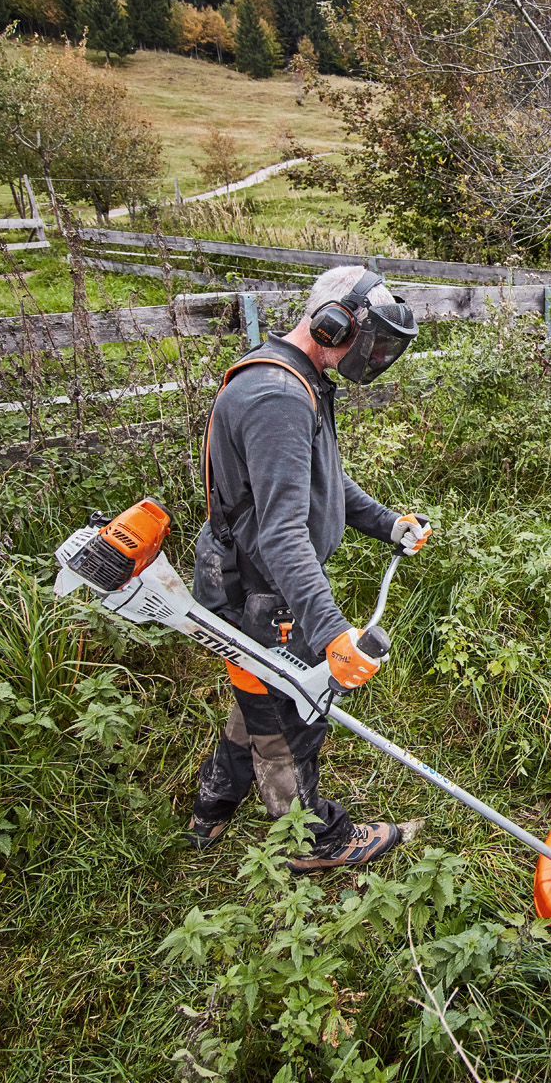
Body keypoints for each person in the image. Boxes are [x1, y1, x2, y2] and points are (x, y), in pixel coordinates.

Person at [184, 265, 432, 872]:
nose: (374, 358)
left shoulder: (297, 377)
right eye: (370, 343)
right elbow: (282, 532)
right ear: (331, 324)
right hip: (260, 590)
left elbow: (324, 480)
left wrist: (386, 523)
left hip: (258, 579)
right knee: (292, 716)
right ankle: (314, 842)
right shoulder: (277, 398)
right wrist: (329, 633)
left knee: (257, 699)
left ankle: (211, 807)